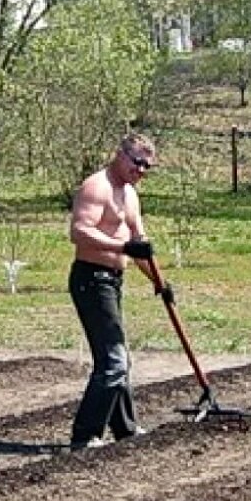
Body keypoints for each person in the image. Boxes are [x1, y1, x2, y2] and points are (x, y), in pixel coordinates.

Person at [67, 131, 163, 450]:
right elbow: (79, 232)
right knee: (113, 360)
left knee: (118, 358)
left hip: (112, 280)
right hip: (91, 279)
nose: (142, 171)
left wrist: (160, 284)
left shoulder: (131, 194)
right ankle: (85, 436)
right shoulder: (97, 187)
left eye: (148, 167)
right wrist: (123, 246)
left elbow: (141, 247)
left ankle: (125, 430)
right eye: (137, 163)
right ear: (120, 155)